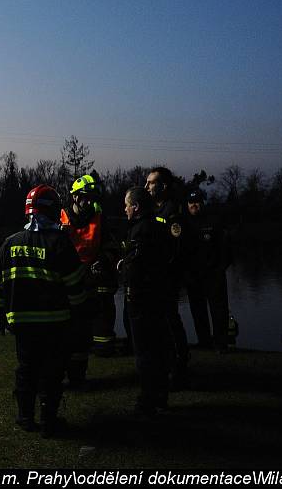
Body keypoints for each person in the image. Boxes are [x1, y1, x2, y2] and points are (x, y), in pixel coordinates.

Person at [0, 184, 90, 437]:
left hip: (22, 325)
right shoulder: (60, 243)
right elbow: (75, 288)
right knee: (52, 372)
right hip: (55, 323)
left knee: (26, 369)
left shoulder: (8, 244)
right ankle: (49, 422)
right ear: (52, 210)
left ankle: (25, 417)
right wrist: (80, 315)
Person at [59, 172, 119, 390]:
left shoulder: (99, 217)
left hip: (94, 276)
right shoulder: (61, 217)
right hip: (68, 277)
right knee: (68, 328)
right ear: (74, 197)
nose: (89, 202)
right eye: (85, 197)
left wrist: (102, 261)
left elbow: (113, 246)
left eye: (92, 198)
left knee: (96, 336)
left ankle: (97, 348)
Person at [119, 187, 172, 416]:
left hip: (141, 300)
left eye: (127, 205)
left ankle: (148, 398)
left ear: (136, 207)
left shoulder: (140, 231)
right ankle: (160, 396)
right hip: (159, 297)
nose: (125, 209)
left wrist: (123, 267)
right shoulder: (160, 227)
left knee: (144, 351)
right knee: (159, 348)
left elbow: (137, 267)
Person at [145, 166, 191, 389]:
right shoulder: (153, 210)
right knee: (159, 322)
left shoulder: (173, 212)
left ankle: (179, 366)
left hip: (167, 277)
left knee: (170, 320)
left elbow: (177, 247)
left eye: (151, 182)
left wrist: (166, 272)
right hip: (155, 277)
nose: (146, 187)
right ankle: (167, 363)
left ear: (163, 186)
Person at [184, 189, 233, 353]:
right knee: (198, 311)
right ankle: (204, 342)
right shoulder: (183, 223)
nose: (194, 205)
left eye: (197, 201)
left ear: (202, 203)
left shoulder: (215, 222)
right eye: (191, 202)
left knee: (219, 311)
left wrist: (220, 269)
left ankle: (221, 344)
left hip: (214, 275)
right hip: (193, 277)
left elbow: (227, 249)